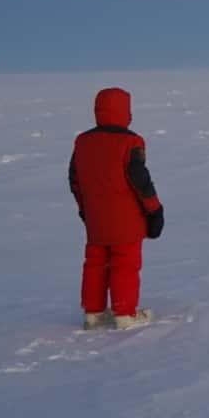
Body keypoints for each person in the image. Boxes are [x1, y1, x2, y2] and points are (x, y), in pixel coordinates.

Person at [67, 87, 166, 329]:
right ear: (124, 111)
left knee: (95, 263)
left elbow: (74, 180)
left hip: (96, 219)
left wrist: (85, 209)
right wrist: (155, 210)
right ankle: (124, 314)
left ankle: (93, 313)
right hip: (126, 220)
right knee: (125, 264)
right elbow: (140, 182)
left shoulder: (83, 141)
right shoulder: (130, 142)